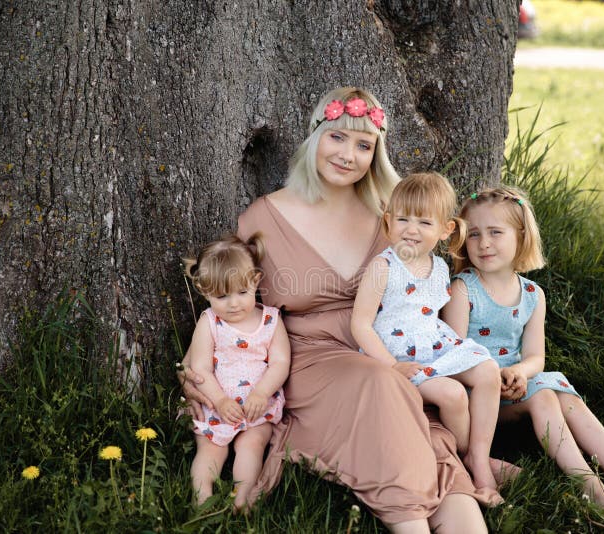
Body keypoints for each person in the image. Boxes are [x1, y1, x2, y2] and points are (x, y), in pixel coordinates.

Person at [179, 87, 494, 533]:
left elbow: (426, 289)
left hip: (386, 350)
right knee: (382, 388)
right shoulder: (263, 219)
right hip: (311, 360)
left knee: (409, 414)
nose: (348, 155)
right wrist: (197, 369)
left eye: (364, 145)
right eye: (337, 138)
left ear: (376, 154)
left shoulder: (391, 215)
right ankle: (410, 521)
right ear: (315, 137)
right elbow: (234, 302)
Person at [441, 186, 604, 527]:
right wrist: (493, 377)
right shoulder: (463, 289)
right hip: (478, 396)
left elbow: (536, 357)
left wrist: (519, 372)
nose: (483, 243)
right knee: (546, 397)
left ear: (521, 237)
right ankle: (594, 492)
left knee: (566, 397)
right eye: (473, 234)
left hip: (515, 387)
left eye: (495, 232)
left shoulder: (533, 294)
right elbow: (453, 355)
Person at [351, 171, 504, 506]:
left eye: (424, 222)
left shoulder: (439, 267)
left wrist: (457, 355)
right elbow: (360, 324)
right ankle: (469, 460)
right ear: (389, 222)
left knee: (489, 371)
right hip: (399, 353)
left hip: (435, 344)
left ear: (445, 229)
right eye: (403, 219)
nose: (411, 229)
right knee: (452, 395)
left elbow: (435, 317)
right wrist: (392, 365)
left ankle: (480, 455)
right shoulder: (383, 267)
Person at [182, 234, 290, 510]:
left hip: (257, 404)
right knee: (210, 449)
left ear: (255, 281)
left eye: (242, 292)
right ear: (205, 292)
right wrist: (219, 401)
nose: (233, 304)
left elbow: (280, 362)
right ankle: (202, 499)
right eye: (221, 296)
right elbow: (200, 367)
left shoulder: (270, 319)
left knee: (252, 444)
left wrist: (262, 393)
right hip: (218, 403)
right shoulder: (209, 322)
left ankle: (242, 499)